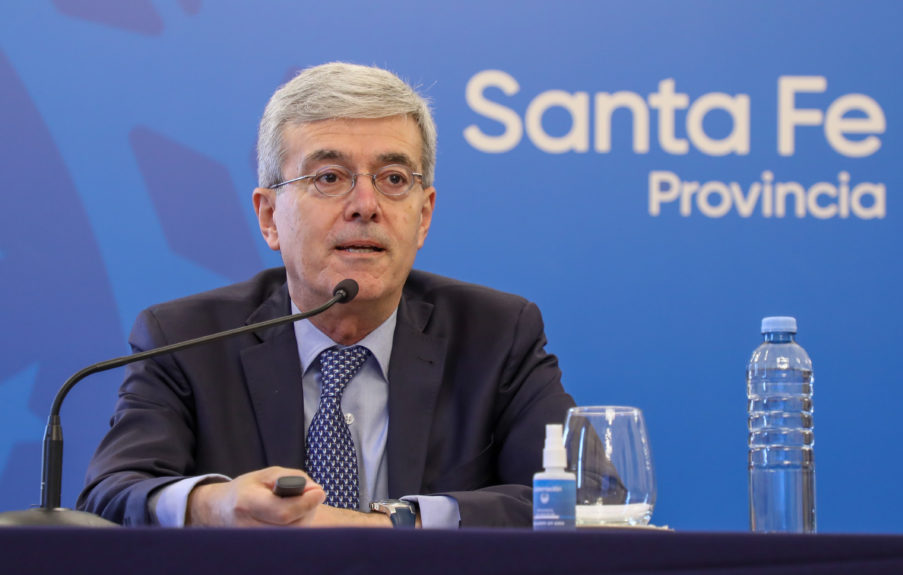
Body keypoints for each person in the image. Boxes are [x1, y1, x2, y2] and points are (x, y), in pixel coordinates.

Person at [77, 62, 575, 528]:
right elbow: (110, 494)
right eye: (329, 177)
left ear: (423, 216)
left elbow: (582, 496)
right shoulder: (187, 340)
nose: (366, 205)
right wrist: (215, 504)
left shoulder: (497, 335)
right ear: (269, 217)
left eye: (394, 179)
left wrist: (394, 525)